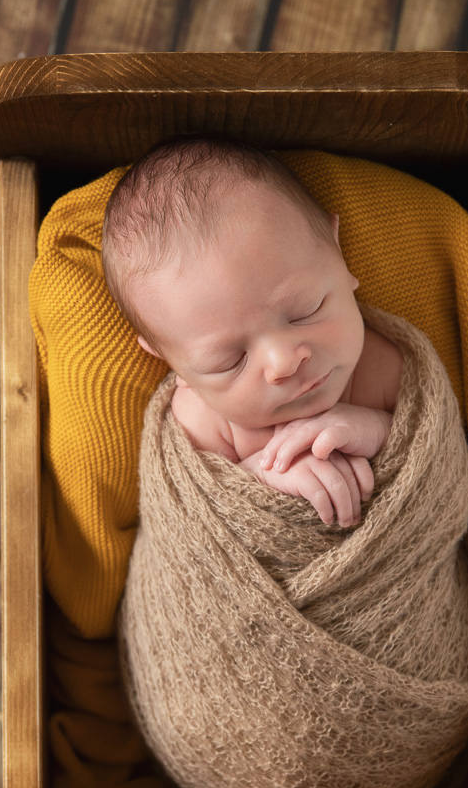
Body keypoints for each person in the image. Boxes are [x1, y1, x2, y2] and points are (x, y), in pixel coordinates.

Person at [102, 137, 403, 528]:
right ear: (176, 367)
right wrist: (261, 475)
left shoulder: (383, 367)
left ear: (339, 255)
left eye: (306, 310)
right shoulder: (202, 422)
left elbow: (433, 441)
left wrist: (377, 431)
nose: (283, 363)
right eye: (230, 360)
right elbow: (189, 519)